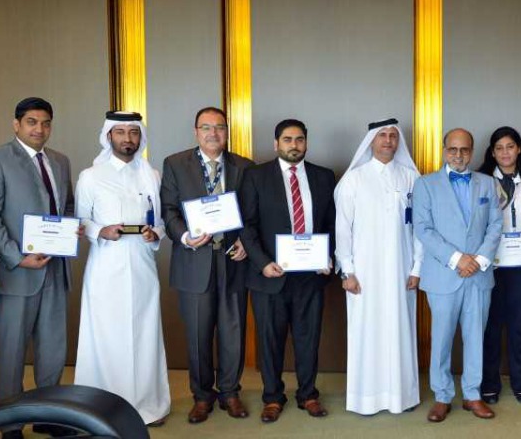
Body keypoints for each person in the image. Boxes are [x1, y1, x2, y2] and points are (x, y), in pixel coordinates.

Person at [0, 97, 76, 438]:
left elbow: (67, 206)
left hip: (54, 270)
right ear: (16, 124)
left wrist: (69, 228)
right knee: (11, 353)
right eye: (32, 122)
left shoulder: (60, 161)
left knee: (52, 351)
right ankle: (11, 424)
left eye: (46, 123)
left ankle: (49, 416)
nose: (40, 129)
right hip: (16, 273)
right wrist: (17, 257)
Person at [73, 111, 170, 426]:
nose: (128, 138)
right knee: (105, 337)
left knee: (144, 335)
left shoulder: (152, 175)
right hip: (105, 268)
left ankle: (147, 406)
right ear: (108, 137)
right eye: (120, 132)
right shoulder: (91, 176)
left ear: (140, 137)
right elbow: (80, 219)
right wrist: (100, 231)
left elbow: (162, 221)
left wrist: (155, 234)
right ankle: (102, 409)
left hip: (142, 265)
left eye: (133, 132)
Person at [160, 107, 254, 424]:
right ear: (196, 131)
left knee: (233, 331)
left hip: (233, 261)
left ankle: (229, 392)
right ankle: (202, 396)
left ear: (227, 131)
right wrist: (184, 236)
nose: (213, 133)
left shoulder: (244, 166)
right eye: (206, 127)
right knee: (198, 336)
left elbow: (253, 214)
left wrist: (246, 243)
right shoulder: (175, 164)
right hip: (194, 261)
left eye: (219, 127)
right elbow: (168, 209)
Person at [242, 119, 337, 423]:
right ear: (276, 144)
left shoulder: (324, 177)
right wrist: (261, 262)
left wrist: (329, 256)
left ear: (306, 143)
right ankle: (272, 397)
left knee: (308, 339)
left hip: (310, 276)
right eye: (287, 139)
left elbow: (333, 224)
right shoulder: (255, 176)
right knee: (269, 341)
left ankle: (308, 394)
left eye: (299, 139)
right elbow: (247, 225)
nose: (293, 145)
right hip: (270, 274)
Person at [413, 128, 503, 423]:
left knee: (476, 336)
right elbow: (423, 228)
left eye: (464, 150)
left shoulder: (488, 184)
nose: (459, 155)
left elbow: (495, 226)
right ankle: (441, 396)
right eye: (453, 149)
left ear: (472, 151)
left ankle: (473, 394)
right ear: (444, 150)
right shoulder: (425, 184)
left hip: (478, 276)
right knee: (441, 338)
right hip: (443, 275)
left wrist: (476, 260)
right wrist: (457, 259)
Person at [335, 118, 423, 415]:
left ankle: (403, 397)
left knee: (400, 329)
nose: (388, 140)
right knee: (366, 331)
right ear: (370, 140)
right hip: (364, 274)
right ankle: (366, 399)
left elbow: (420, 228)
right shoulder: (354, 179)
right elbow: (343, 229)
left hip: (402, 271)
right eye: (382, 135)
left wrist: (417, 268)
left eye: (393, 136)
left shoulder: (412, 178)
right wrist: (347, 271)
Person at [477, 126, 521, 406]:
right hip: (490, 266)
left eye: (510, 146)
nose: (505, 152)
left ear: (519, 148)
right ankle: (489, 385)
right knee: (490, 327)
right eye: (499, 148)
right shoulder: (480, 181)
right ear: (492, 152)